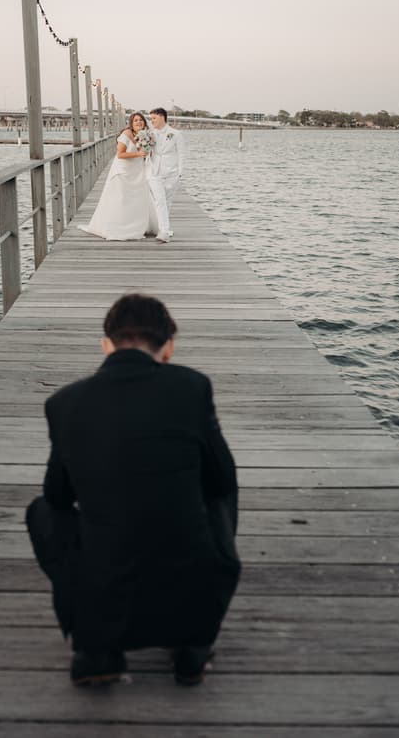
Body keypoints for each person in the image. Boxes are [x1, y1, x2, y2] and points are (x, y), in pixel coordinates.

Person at [26, 293, 240, 688]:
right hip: (188, 571)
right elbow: (222, 480)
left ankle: (97, 650)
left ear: (106, 345)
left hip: (104, 574)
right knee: (221, 493)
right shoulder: (193, 388)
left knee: (42, 511)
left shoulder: (64, 403)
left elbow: (57, 497)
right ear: (168, 348)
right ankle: (192, 642)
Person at [79, 112, 158, 240]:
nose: (139, 122)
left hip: (138, 171)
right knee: (122, 199)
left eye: (141, 120)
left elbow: (148, 151)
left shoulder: (146, 135)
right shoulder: (126, 134)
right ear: (131, 123)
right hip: (123, 171)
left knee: (138, 199)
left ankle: (138, 225)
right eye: (136, 120)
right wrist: (138, 154)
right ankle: (121, 227)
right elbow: (120, 154)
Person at [147, 107, 187, 243]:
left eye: (154, 118)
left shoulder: (175, 134)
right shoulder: (149, 134)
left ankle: (163, 228)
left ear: (162, 117)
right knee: (160, 201)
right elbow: (147, 152)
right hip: (154, 172)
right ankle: (164, 232)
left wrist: (180, 173)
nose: (151, 121)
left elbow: (181, 153)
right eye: (151, 118)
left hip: (171, 173)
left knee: (167, 202)